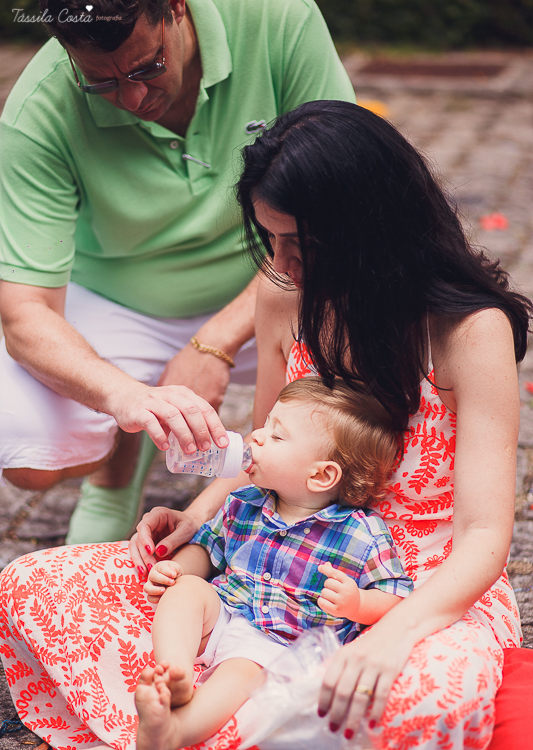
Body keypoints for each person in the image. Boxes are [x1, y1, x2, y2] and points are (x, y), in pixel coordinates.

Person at [0, 100, 530, 750]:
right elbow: (258, 457)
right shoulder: (286, 294)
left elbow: (484, 535)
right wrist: (197, 516)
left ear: (372, 229)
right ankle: (190, 743)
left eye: (301, 247)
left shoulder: (469, 330)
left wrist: (390, 631)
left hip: (413, 583)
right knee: (35, 584)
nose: (279, 266)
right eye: (269, 240)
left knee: (433, 699)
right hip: (264, 559)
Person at [0, 0, 355, 545]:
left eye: (147, 67)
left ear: (175, 8)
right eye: (102, 82)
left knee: (362, 365)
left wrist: (212, 343)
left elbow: (342, 205)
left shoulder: (278, 18)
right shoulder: (38, 109)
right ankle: (114, 482)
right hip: (123, 301)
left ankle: (304, 517)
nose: (133, 98)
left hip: (282, 280)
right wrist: (127, 397)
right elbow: (25, 314)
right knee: (29, 454)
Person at [134, 376, 413, 750]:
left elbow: (397, 598)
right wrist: (175, 570)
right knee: (186, 592)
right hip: (228, 609)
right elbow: (208, 549)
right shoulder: (244, 502)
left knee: (239, 673)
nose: (257, 437)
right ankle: (175, 673)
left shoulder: (361, 534)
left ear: (320, 475)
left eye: (276, 437)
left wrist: (358, 603)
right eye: (265, 425)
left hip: (278, 640)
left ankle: (174, 732)